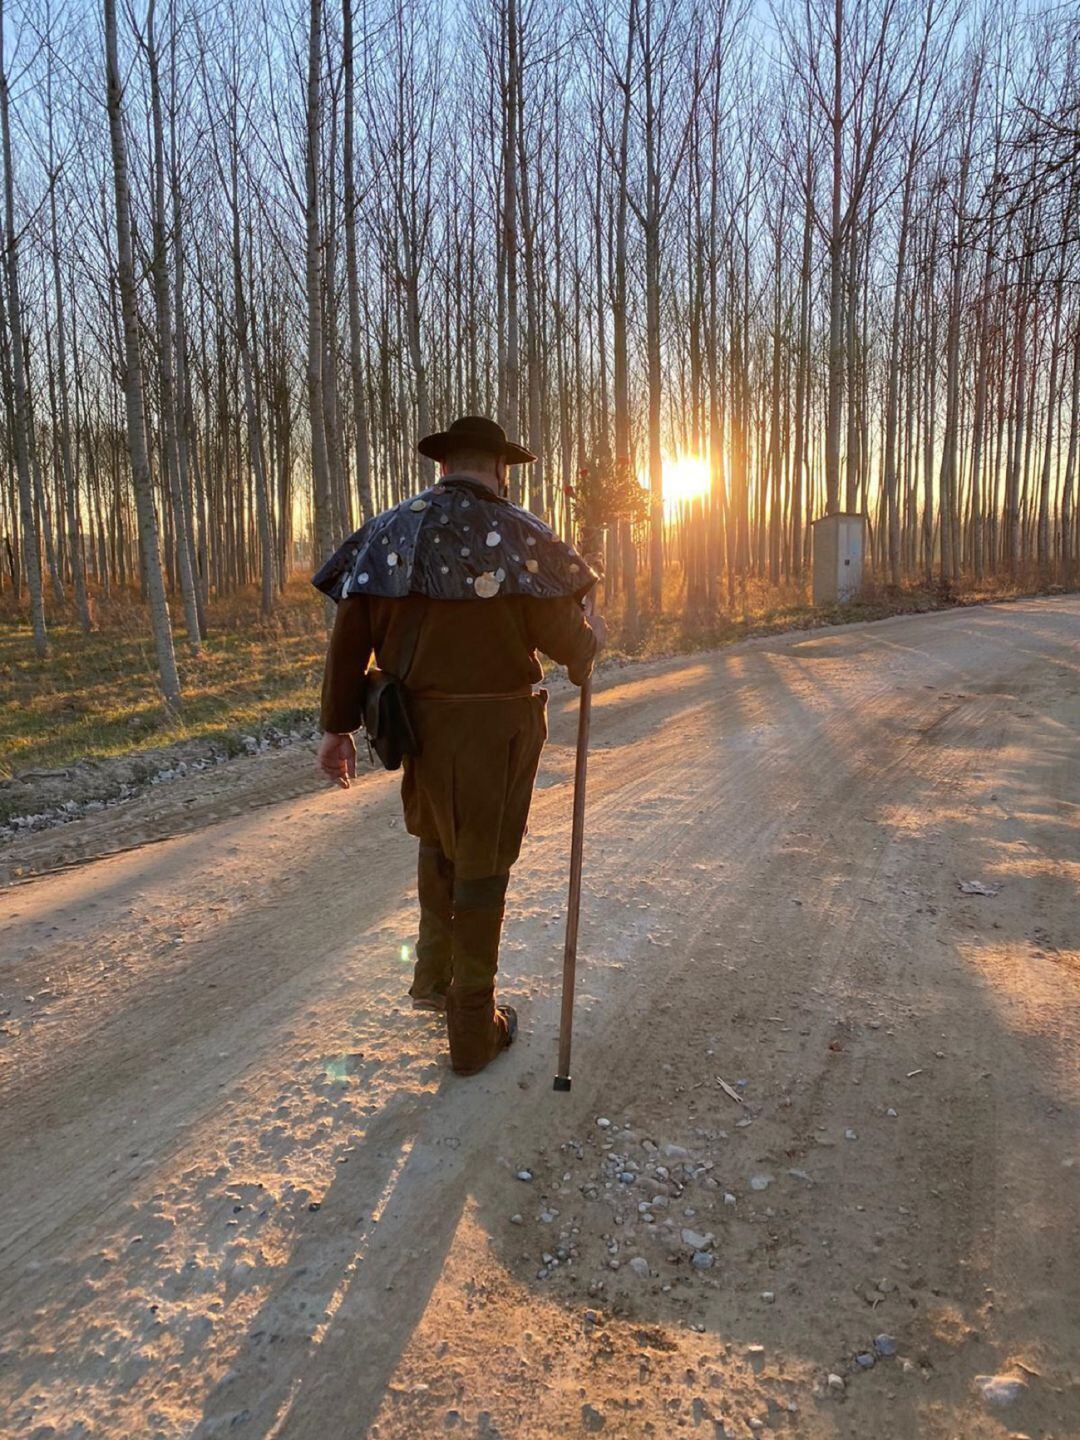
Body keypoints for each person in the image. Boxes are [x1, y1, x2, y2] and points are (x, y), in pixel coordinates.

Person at [313, 416, 603, 1077]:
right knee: (481, 865)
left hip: (416, 728)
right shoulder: (520, 538)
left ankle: (433, 976)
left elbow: (348, 643)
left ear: (443, 468)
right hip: (498, 735)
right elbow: (573, 649)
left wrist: (336, 732)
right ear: (500, 469)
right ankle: (471, 1027)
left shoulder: (389, 535)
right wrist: (591, 633)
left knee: (439, 837)